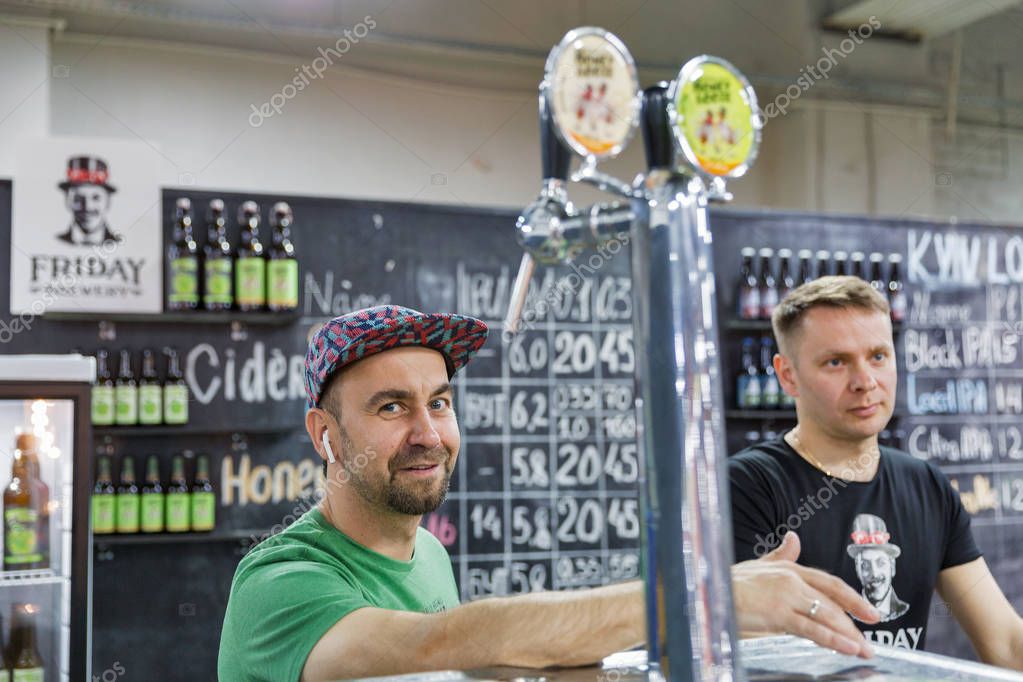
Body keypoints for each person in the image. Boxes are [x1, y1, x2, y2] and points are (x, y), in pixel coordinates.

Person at [219, 305, 879, 682]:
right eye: (391, 408)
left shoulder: (425, 555)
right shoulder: (282, 583)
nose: (427, 433)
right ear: (324, 433)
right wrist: (699, 598)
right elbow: (439, 644)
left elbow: (489, 661)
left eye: (440, 403)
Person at [729, 276, 1023, 666]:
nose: (865, 382)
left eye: (878, 356)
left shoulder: (927, 486)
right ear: (787, 376)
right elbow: (757, 657)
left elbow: (1004, 641)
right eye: (836, 362)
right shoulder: (747, 487)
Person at [56, 155, 122, 246]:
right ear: (67, 200)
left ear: (108, 201)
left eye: (96, 198)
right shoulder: (57, 241)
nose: (87, 206)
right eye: (78, 198)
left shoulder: (116, 242)